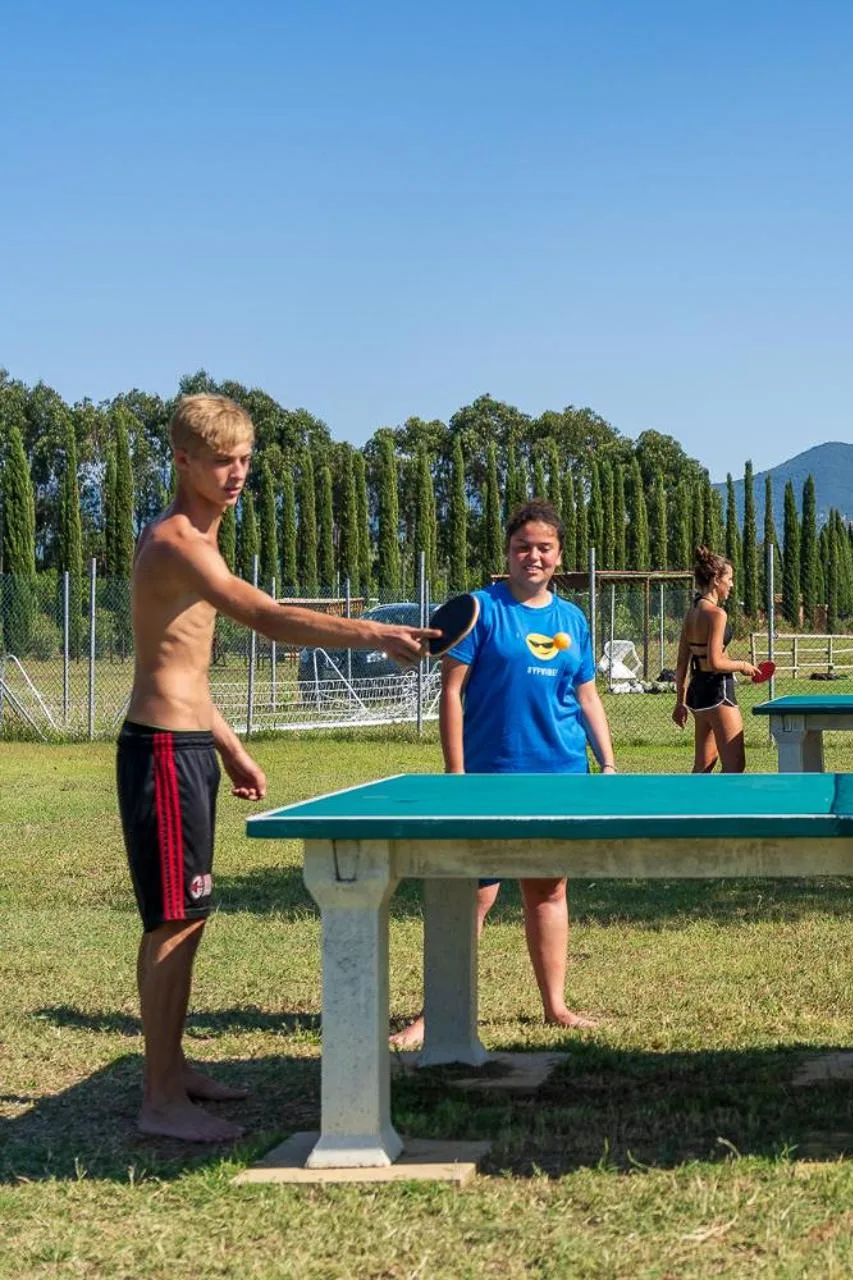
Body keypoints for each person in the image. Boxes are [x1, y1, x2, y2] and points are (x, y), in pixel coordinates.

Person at [122, 394, 431, 1141]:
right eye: (220, 461)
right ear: (183, 461)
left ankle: (173, 1068)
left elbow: (182, 664)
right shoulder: (176, 542)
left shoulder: (199, 538)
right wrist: (373, 633)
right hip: (161, 751)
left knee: (189, 915)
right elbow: (264, 617)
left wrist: (228, 746)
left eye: (244, 460)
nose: (236, 474)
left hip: (187, 746)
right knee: (172, 922)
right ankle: (160, 1099)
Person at [391, 499, 615, 1051]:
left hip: (561, 774)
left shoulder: (573, 619)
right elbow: (451, 693)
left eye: (544, 548)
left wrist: (607, 762)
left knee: (548, 889)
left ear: (558, 556)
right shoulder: (480, 610)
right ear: (508, 552)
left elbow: (586, 696)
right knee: (473, 895)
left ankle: (556, 1008)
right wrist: (456, 773)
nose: (532, 556)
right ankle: (433, 1016)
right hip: (489, 777)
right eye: (522, 547)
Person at [673, 545, 756, 773]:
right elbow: (716, 662)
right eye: (729, 579)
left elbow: (681, 665)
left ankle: (692, 799)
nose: (732, 584)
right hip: (719, 692)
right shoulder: (717, 614)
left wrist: (680, 702)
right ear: (716, 579)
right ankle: (723, 800)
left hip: (697, 693)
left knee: (703, 765)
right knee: (735, 766)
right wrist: (743, 665)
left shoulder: (691, 614)